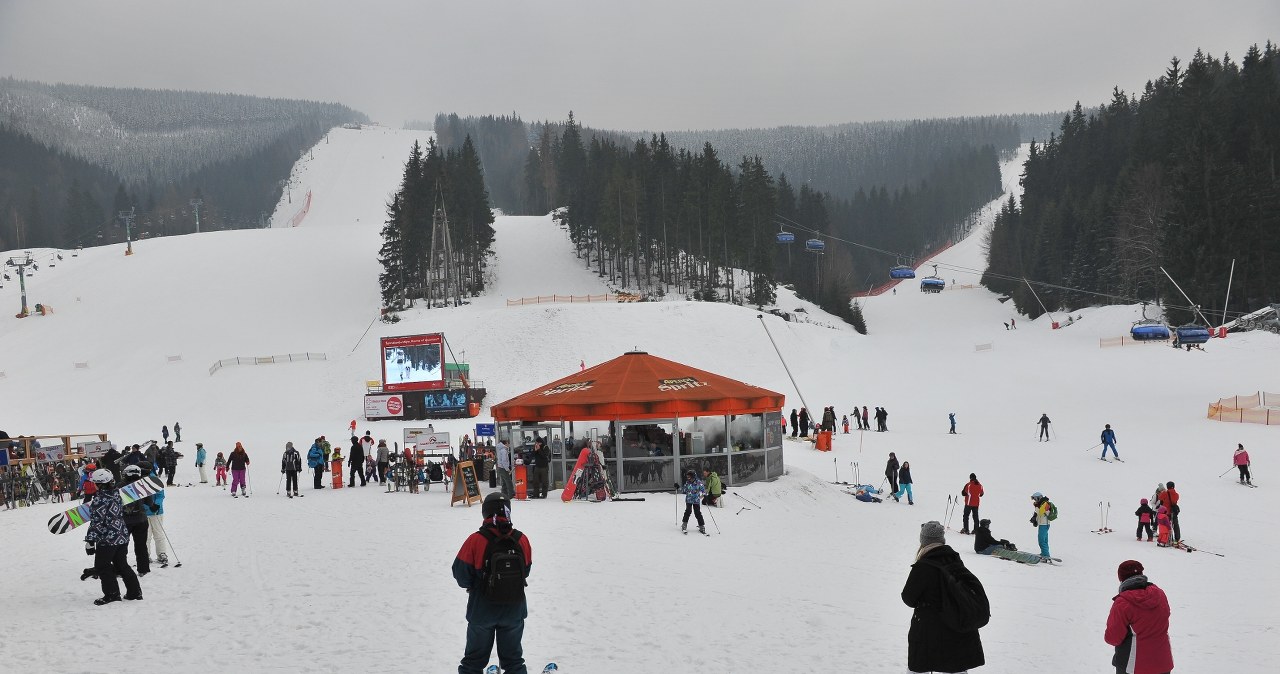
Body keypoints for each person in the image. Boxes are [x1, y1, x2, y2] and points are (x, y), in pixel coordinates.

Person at [452, 492, 532, 674]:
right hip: (514, 609)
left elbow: (460, 574)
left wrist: (475, 584)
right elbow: (526, 571)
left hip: (482, 609)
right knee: (514, 662)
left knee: (473, 663)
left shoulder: (476, 540)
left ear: (485, 512)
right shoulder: (521, 539)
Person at [900, 521, 986, 674]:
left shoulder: (923, 566)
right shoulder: (955, 560)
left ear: (924, 540)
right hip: (957, 627)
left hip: (928, 631)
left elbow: (908, 598)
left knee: (918, 668)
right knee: (956, 668)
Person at [83, 468, 143, 605]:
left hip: (107, 539)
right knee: (122, 565)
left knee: (102, 566)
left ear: (99, 484)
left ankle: (112, 594)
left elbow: (97, 522)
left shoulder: (100, 500)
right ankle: (135, 592)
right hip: (121, 535)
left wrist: (90, 541)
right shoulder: (117, 494)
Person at [1104, 560, 1173, 674]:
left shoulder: (1122, 602)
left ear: (1121, 578)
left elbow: (1113, 638)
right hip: (1163, 663)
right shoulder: (1160, 594)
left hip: (1133, 667)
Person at [120, 464, 153, 576]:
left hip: (125, 521)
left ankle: (120, 569)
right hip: (141, 520)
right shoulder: (142, 486)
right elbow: (150, 502)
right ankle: (143, 569)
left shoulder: (120, 486)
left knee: (122, 546)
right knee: (141, 545)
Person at [143, 466, 170, 568]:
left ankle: (161, 553)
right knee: (146, 536)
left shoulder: (154, 479)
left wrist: (156, 504)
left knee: (158, 534)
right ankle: (146, 554)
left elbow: (160, 495)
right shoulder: (138, 481)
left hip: (156, 512)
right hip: (144, 513)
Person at [680, 469, 706, 534]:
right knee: (688, 511)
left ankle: (701, 526)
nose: (688, 478)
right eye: (687, 477)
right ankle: (684, 524)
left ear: (693, 476)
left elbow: (703, 490)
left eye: (689, 477)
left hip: (696, 501)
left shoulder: (699, 483)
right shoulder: (687, 483)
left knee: (697, 513)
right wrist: (678, 487)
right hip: (689, 500)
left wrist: (703, 496)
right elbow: (683, 490)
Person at [1031, 491, 1052, 559]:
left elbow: (1040, 512)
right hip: (1043, 524)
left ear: (1039, 498)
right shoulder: (1042, 503)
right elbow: (1040, 514)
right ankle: (1044, 553)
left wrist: (1036, 506)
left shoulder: (1045, 504)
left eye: (1035, 499)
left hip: (1044, 525)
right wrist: (1035, 520)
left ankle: (1046, 555)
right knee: (1044, 540)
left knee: (1041, 540)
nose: (1035, 500)